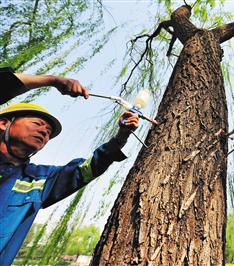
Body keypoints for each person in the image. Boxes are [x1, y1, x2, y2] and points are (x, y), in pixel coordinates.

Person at [0, 68, 139, 265]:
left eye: (48, 132)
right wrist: (53, 80)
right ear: (4, 123)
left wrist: (122, 136)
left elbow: (86, 169)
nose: (44, 132)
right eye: (38, 124)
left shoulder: (38, 180)